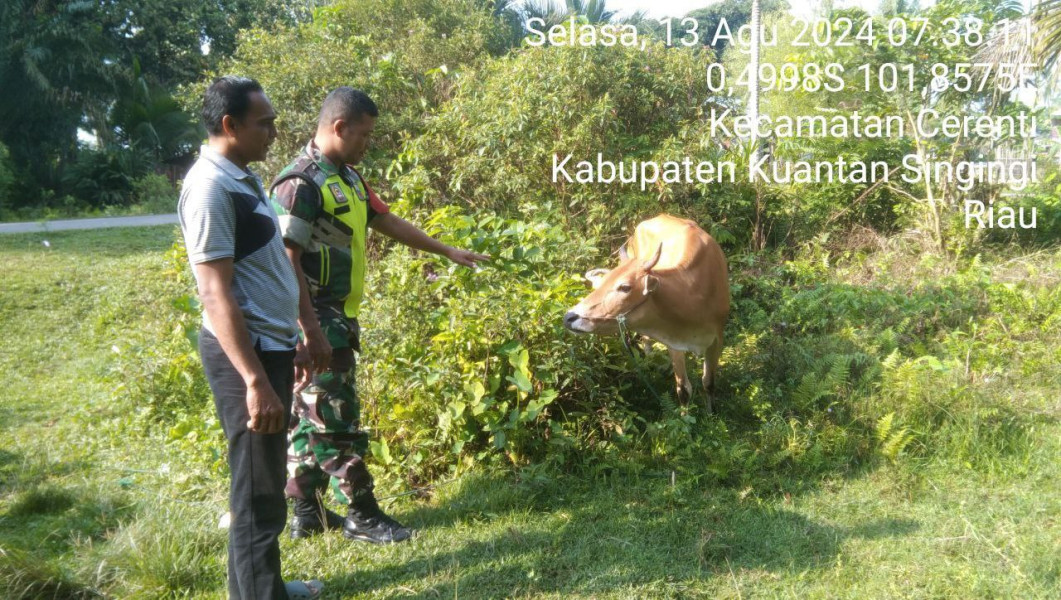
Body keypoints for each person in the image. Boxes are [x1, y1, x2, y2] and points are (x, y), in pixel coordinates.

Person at [272, 87, 488, 544]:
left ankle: (306, 512)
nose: (368, 143)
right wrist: (308, 328)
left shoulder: (346, 178)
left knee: (308, 416)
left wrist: (445, 249)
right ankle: (362, 514)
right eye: (364, 134)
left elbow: (384, 220)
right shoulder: (300, 184)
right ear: (339, 127)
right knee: (335, 419)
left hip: (337, 316)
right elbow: (285, 260)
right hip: (316, 318)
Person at [178, 75, 323, 600]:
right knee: (259, 490)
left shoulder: (240, 177)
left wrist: (297, 336)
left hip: (270, 347)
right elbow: (216, 294)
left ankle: (260, 589)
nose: (273, 131)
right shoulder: (210, 187)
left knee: (259, 481)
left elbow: (269, 268)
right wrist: (255, 381)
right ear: (229, 124)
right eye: (264, 122)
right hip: (247, 356)